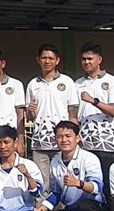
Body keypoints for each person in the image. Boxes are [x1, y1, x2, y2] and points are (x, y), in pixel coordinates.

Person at [36, 121, 105, 211]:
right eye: (60, 136)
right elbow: (55, 193)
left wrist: (79, 183)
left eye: (68, 136)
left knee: (85, 207)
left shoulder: (89, 158)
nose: (64, 140)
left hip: (92, 208)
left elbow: (97, 187)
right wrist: (42, 209)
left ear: (77, 138)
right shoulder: (55, 162)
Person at [25, 44, 78, 185]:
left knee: (62, 180)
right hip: (40, 143)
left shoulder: (67, 82)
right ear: (38, 60)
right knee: (42, 181)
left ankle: (62, 207)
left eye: (50, 58)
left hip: (62, 141)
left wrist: (74, 136)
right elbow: (30, 117)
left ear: (57, 60)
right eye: (44, 58)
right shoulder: (32, 84)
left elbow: (73, 112)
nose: (47, 61)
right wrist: (30, 110)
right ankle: (42, 206)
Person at [72, 42, 114, 188]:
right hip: (85, 144)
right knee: (87, 184)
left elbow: (113, 111)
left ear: (99, 59)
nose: (86, 62)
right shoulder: (77, 83)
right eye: (83, 59)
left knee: (107, 185)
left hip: (106, 144)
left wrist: (93, 101)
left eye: (90, 59)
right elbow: (74, 113)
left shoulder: (112, 81)